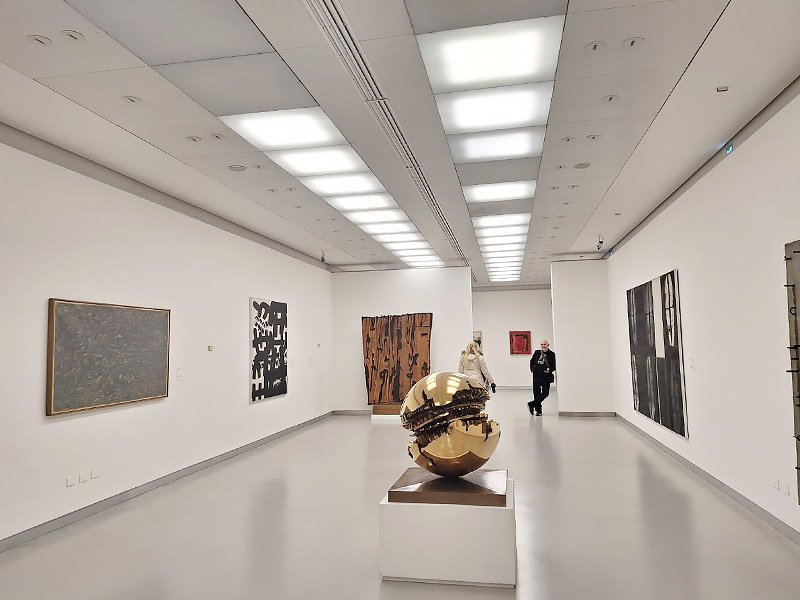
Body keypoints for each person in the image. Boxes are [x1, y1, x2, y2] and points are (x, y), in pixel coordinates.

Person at [529, 340, 555, 415]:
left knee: (545, 393)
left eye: (545, 344)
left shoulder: (552, 354)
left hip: (546, 376)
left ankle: (532, 404)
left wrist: (550, 370)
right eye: (542, 344)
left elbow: (554, 365)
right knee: (536, 393)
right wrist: (532, 370)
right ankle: (538, 411)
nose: (543, 345)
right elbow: (532, 361)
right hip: (536, 375)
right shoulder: (537, 352)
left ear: (548, 345)